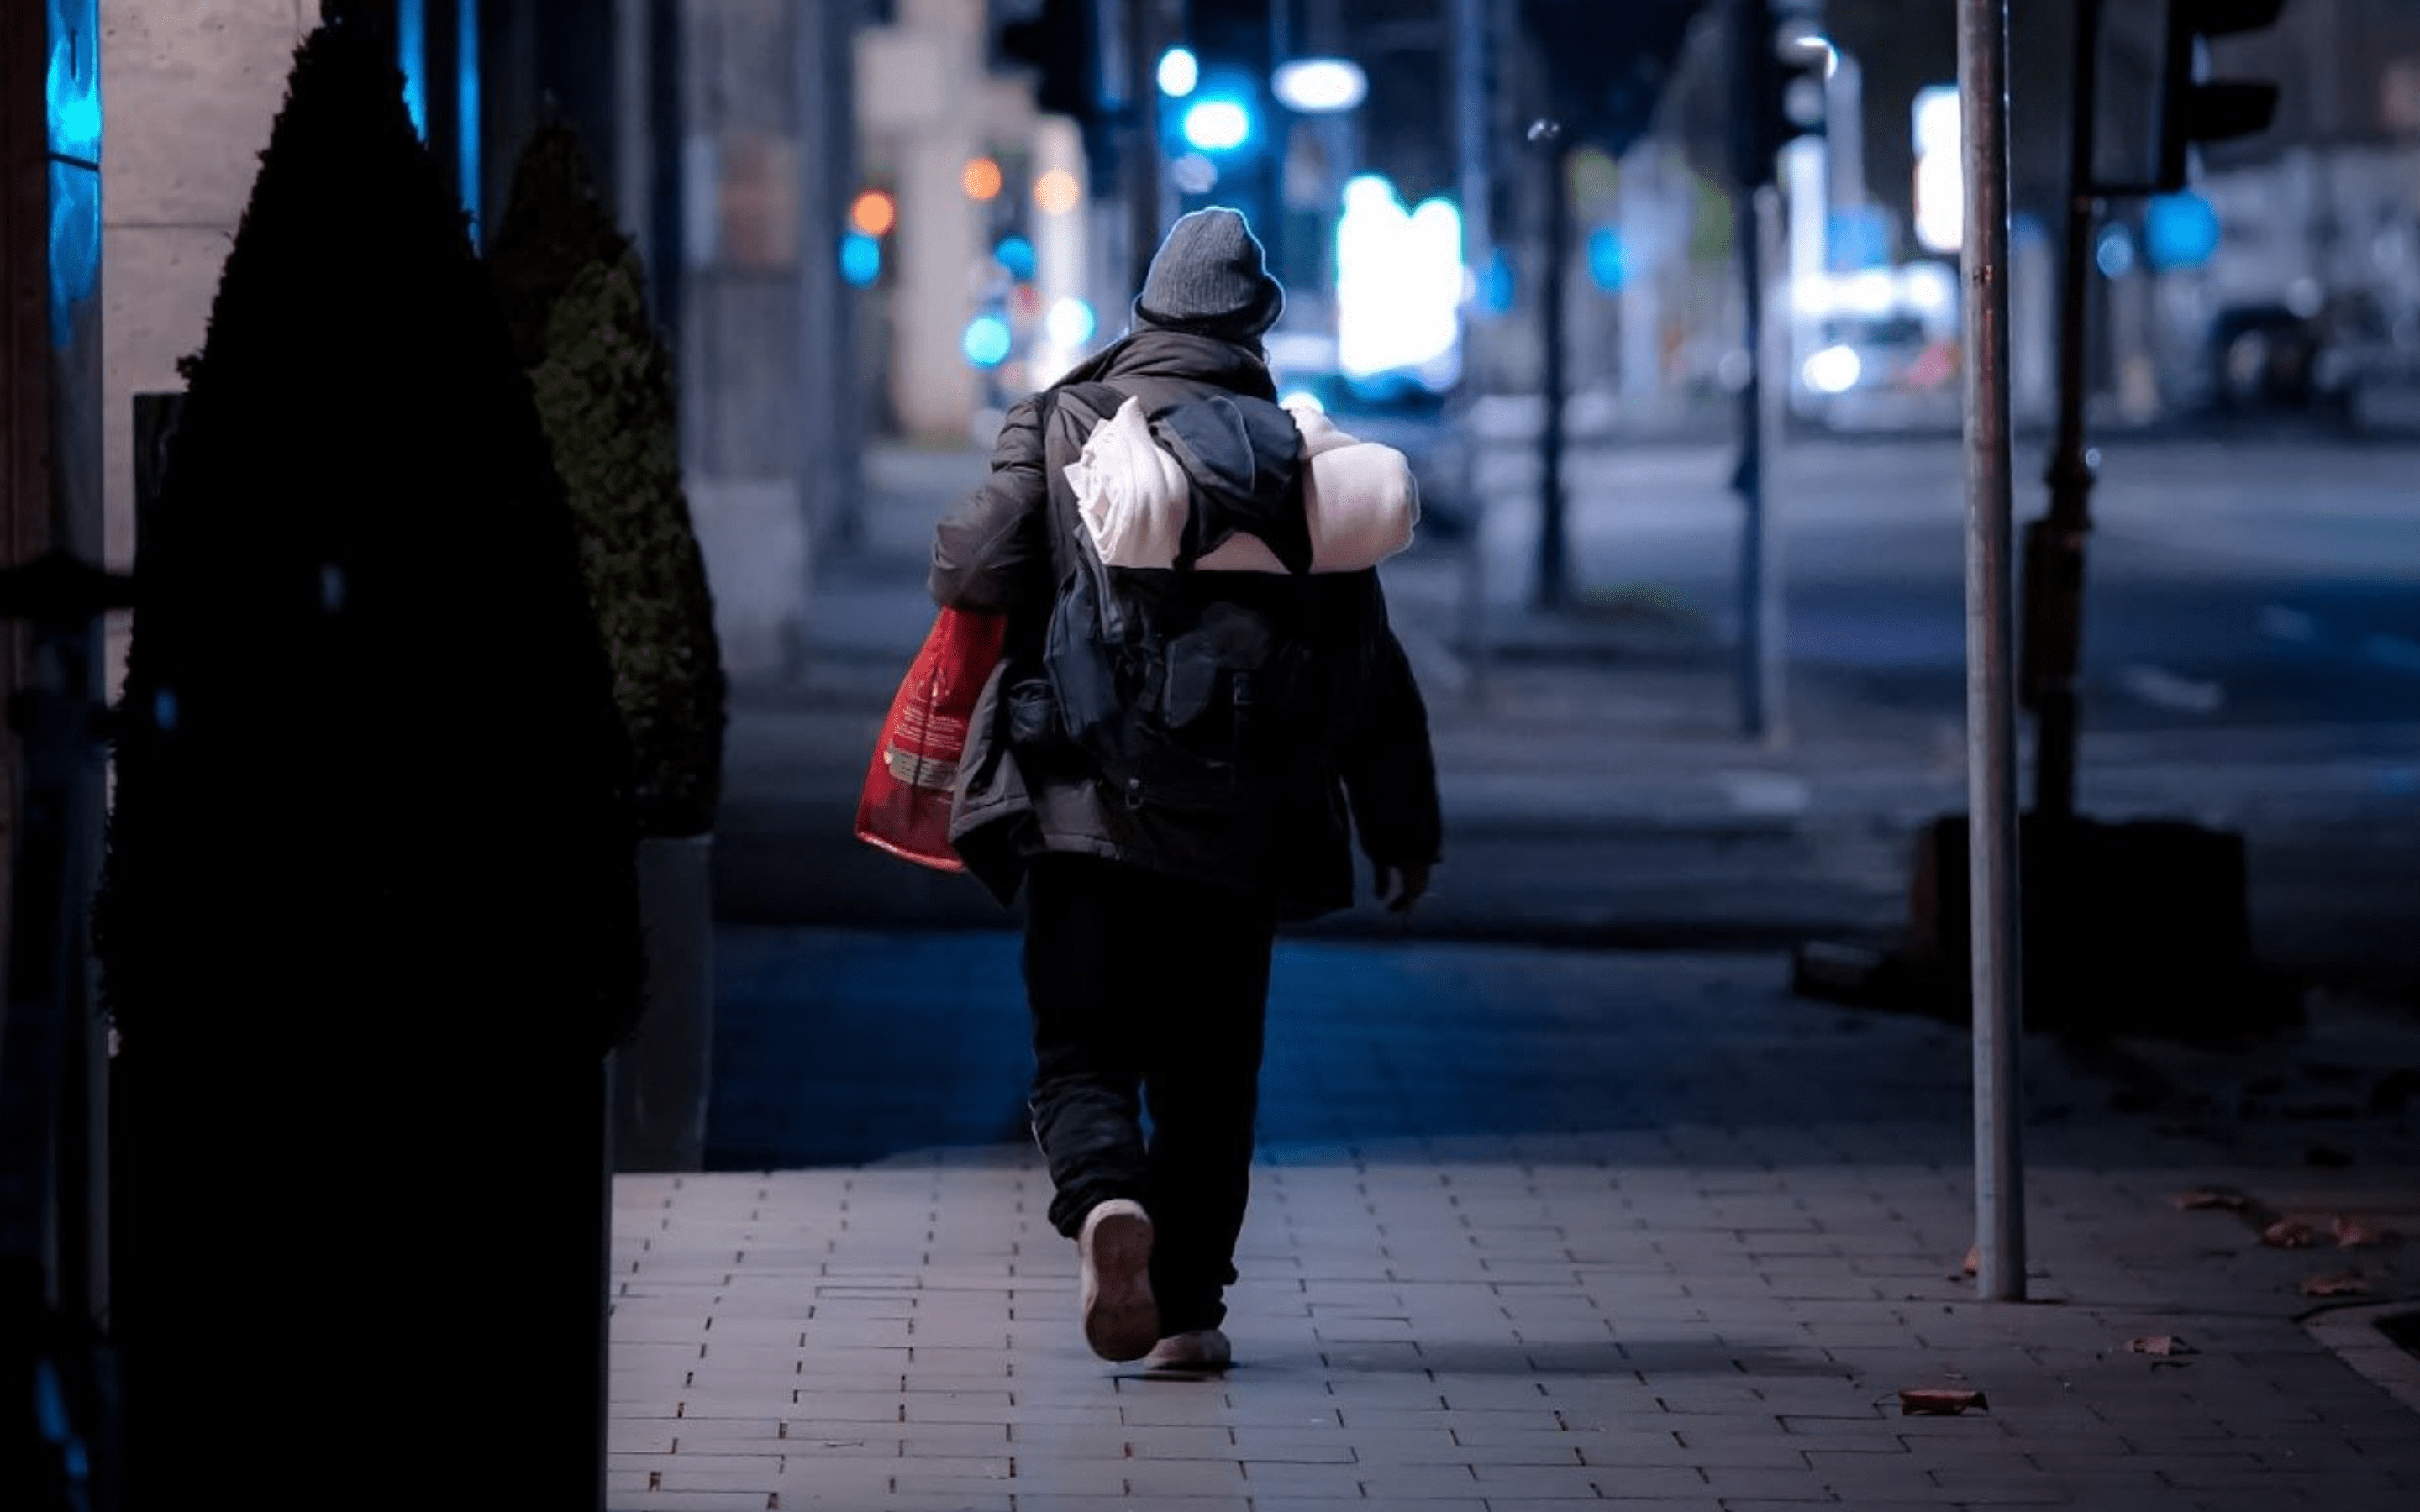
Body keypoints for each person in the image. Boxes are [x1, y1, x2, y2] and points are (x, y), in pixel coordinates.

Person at [926, 206, 1444, 1373]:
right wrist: (1403, 828)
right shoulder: (1304, 462)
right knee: (1214, 1072)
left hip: (1085, 804)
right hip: (1244, 822)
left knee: (1081, 1043)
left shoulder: (1067, 422)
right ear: (1257, 325)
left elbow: (970, 565)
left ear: (1147, 312)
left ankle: (1107, 1196)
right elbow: (1370, 663)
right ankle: (1189, 1312)